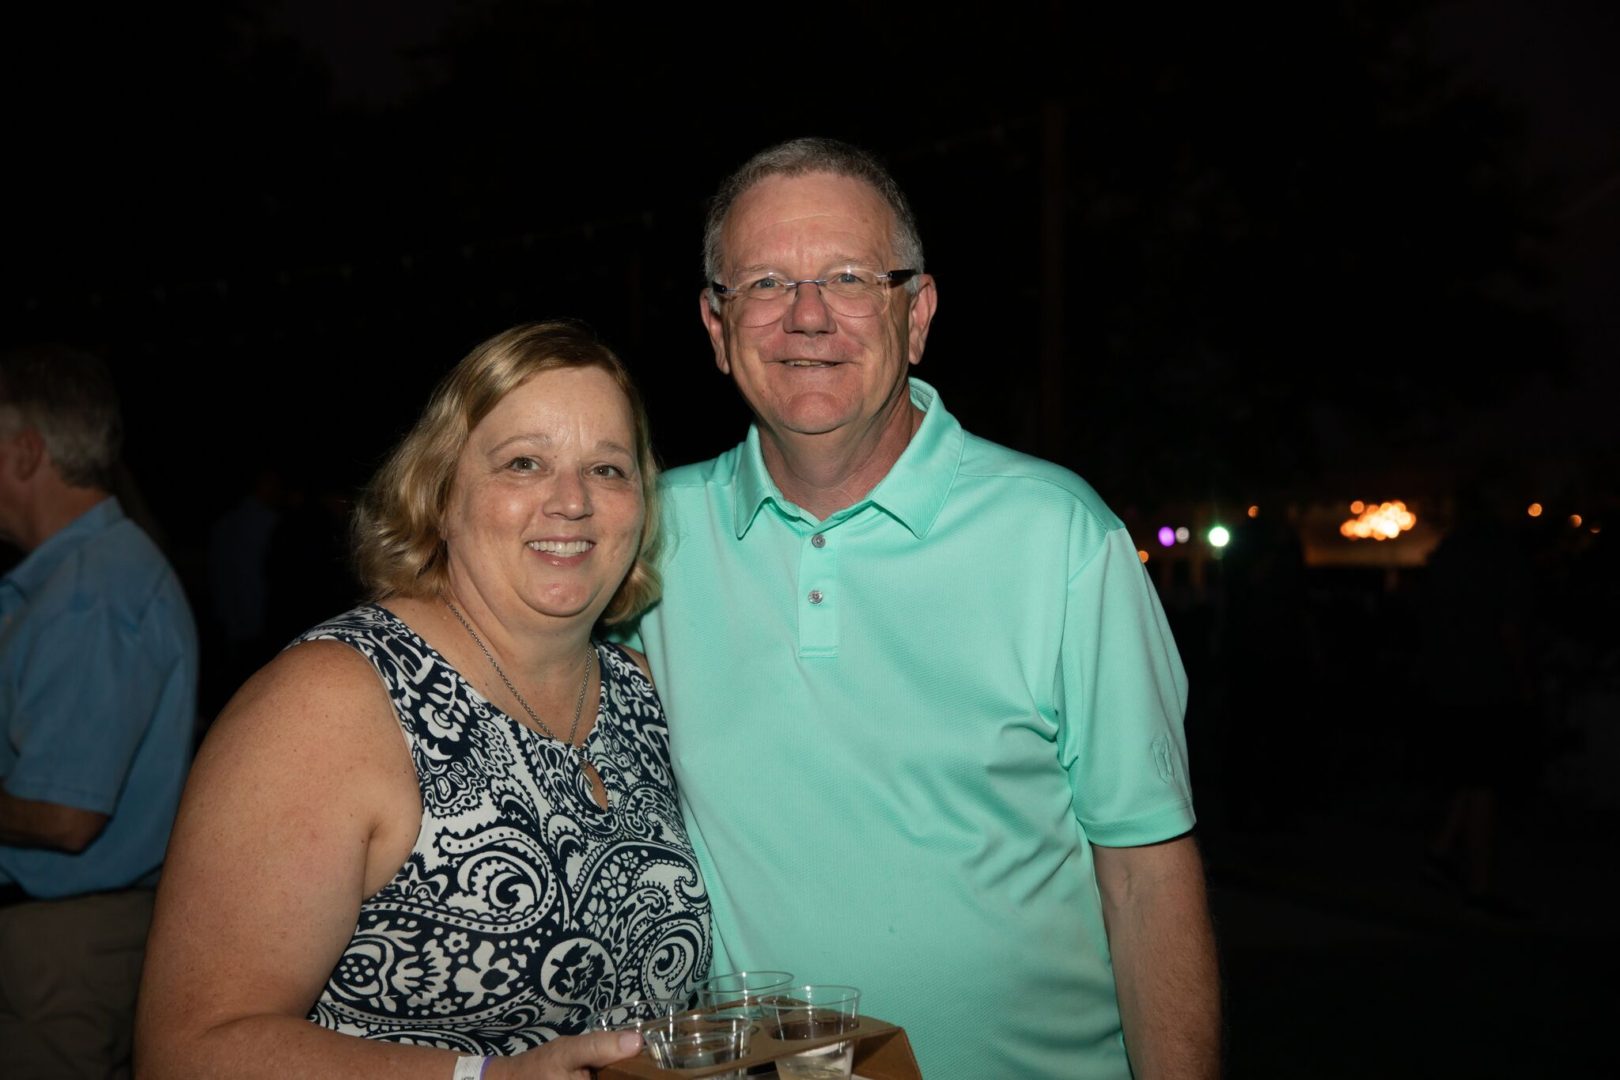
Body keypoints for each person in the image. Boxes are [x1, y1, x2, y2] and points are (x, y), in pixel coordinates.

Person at [624, 138, 1221, 1078]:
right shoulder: (647, 537)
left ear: (917, 314)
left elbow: (1147, 874)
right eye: (766, 284)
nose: (808, 315)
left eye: (850, 278)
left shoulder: (1059, 536)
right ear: (716, 325)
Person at [136, 323, 710, 1078]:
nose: (572, 501)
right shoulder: (333, 702)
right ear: (440, 495)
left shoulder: (647, 694)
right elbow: (188, 1050)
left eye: (607, 469)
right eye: (524, 463)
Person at [0, 345, 199, 1078]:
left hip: (66, 943)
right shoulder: (77, 579)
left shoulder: (92, 595)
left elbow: (64, 816)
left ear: (26, 453)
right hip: (68, 934)